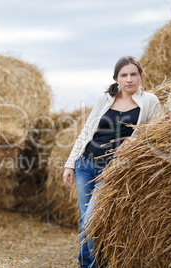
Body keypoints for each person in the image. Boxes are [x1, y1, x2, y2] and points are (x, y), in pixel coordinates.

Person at [62, 56, 160, 267]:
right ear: (116, 79)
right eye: (123, 75)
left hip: (113, 170)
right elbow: (87, 131)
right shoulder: (105, 99)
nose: (129, 79)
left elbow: (156, 133)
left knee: (91, 221)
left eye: (133, 74)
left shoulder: (150, 101)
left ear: (141, 77)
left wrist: (133, 141)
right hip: (85, 166)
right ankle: (87, 264)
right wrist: (70, 163)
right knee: (84, 221)